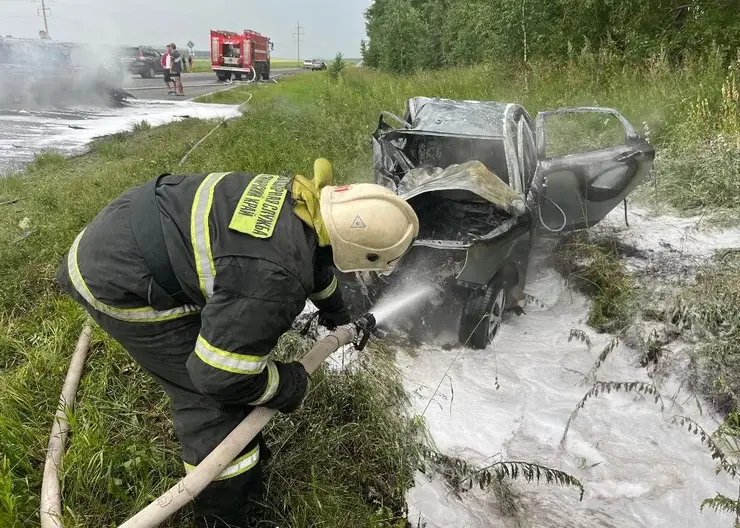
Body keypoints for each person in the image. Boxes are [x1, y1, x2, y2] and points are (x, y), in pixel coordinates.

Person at [54, 159, 419, 528]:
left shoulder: (301, 201)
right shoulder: (274, 278)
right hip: (115, 278)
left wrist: (336, 310)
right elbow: (218, 378)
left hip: (127, 225)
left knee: (230, 350)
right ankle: (223, 512)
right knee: (213, 401)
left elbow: (315, 259)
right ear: (359, 252)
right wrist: (289, 384)